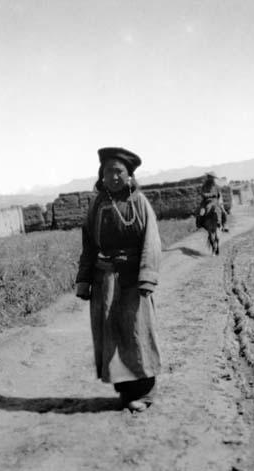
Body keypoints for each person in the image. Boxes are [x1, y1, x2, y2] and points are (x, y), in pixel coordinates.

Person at [76, 147, 162, 412]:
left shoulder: (139, 203)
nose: (113, 176)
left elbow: (152, 240)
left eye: (119, 171)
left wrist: (147, 276)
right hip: (105, 279)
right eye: (108, 171)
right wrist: (84, 279)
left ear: (129, 175)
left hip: (132, 279)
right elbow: (89, 244)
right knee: (112, 334)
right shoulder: (98, 205)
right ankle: (125, 393)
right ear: (101, 175)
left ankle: (145, 393)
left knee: (137, 333)